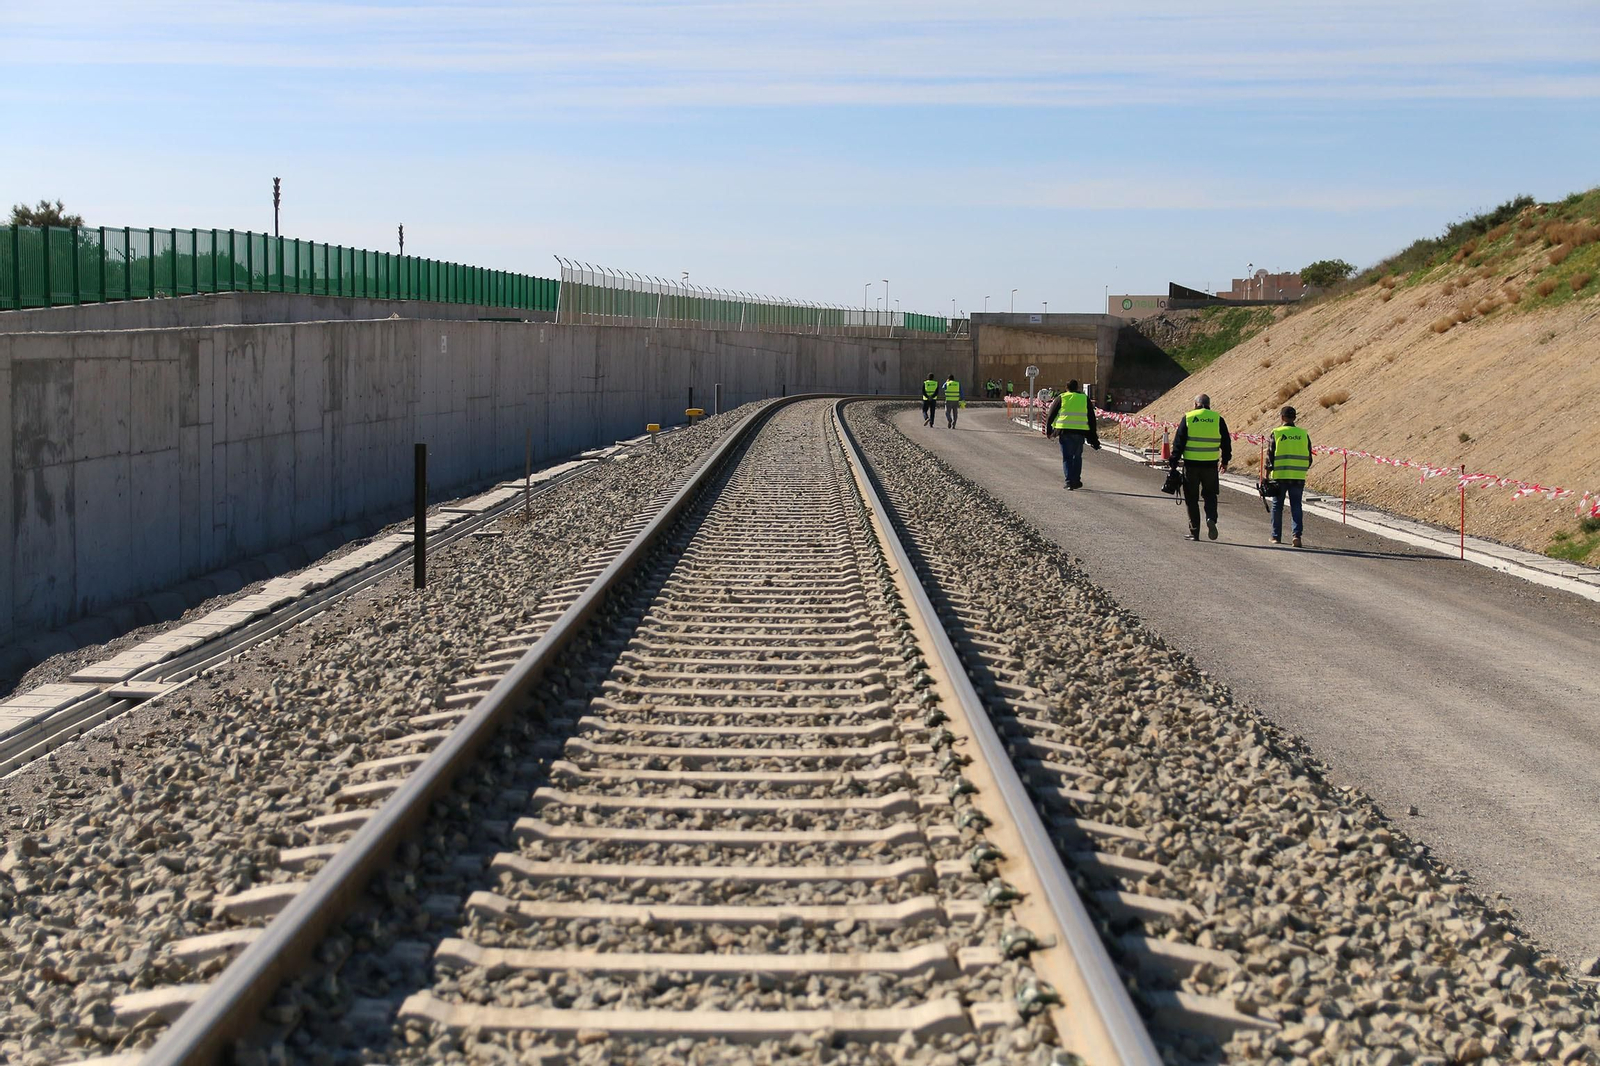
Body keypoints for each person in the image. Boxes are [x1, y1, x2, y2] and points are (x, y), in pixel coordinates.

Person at [1168, 393, 1232, 541]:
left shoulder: (1189, 418)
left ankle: (1195, 531)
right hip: (1210, 466)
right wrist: (1225, 460)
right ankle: (1211, 518)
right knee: (1210, 495)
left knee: (1191, 499)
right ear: (1209, 404)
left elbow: (1179, 442)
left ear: (1195, 404)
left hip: (1191, 466)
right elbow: (1226, 442)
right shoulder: (1217, 419)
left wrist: (1174, 461)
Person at [1267, 405, 1312, 547]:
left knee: (1277, 506)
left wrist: (1267, 475)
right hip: (1298, 477)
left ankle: (1276, 536)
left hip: (1280, 476)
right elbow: (1309, 457)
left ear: (1282, 417)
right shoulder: (1303, 434)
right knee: (1296, 506)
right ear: (1295, 418)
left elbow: (1270, 456)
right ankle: (1296, 536)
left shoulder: (1277, 433)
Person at [1044, 379, 1101, 489]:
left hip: (1064, 431)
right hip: (1080, 432)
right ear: (1077, 387)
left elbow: (1051, 414)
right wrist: (1093, 437)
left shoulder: (1061, 398)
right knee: (1077, 457)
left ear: (1066, 387)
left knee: (1067, 457)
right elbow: (1091, 418)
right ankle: (1076, 480)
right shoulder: (1084, 399)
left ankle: (1069, 482)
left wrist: (1049, 431)